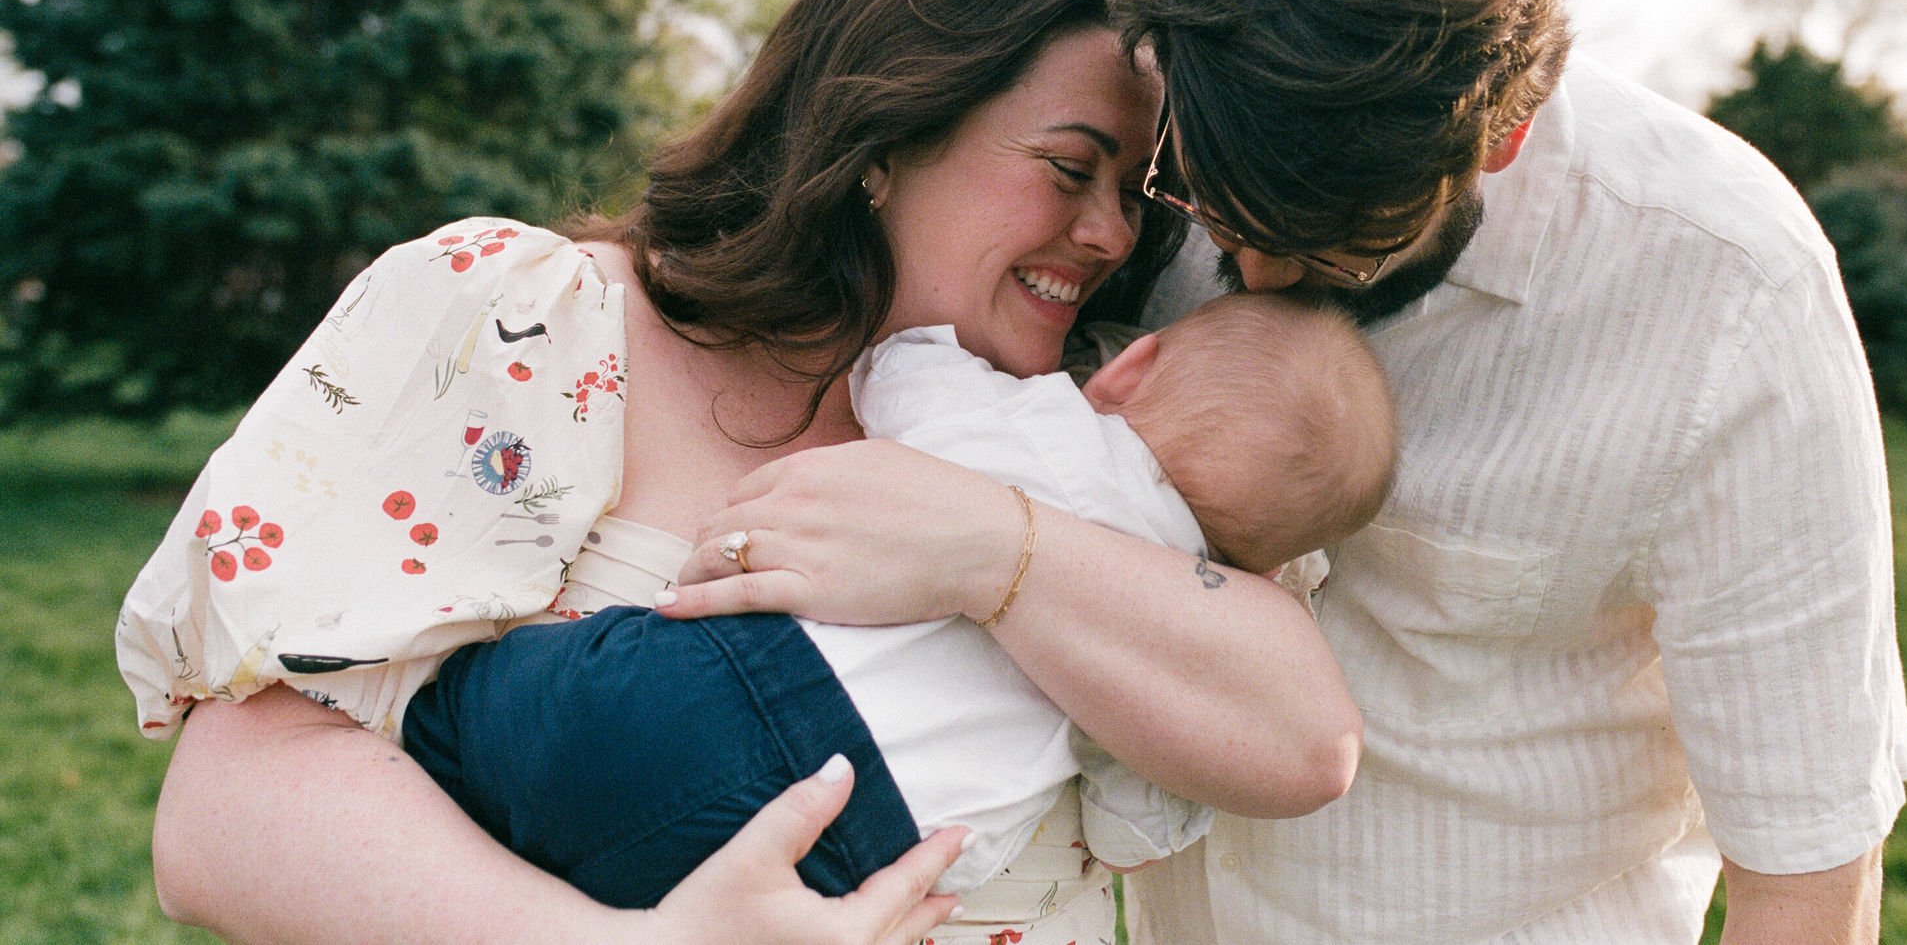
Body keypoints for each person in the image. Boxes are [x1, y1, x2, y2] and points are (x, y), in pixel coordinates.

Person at [123, 0, 1364, 945]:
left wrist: (995, 550)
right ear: (885, 136)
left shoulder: (1111, 429)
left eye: (1131, 197)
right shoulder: (533, 321)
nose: (1108, 234)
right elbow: (227, 809)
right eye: (1066, 166)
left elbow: (1301, 737)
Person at [1103, 0, 1907, 944]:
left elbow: (1806, 869)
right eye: (1221, 217)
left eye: (1335, 243)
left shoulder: (1725, 285)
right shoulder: (1160, 139)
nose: (1258, 279)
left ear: (1505, 130)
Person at [397, 293, 1392, 907]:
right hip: (863, 833)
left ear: (1129, 366)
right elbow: (1133, 820)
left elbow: (897, 366)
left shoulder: (1038, 420)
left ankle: (426, 737)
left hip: (722, 682)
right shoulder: (1166, 630)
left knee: (478, 714)